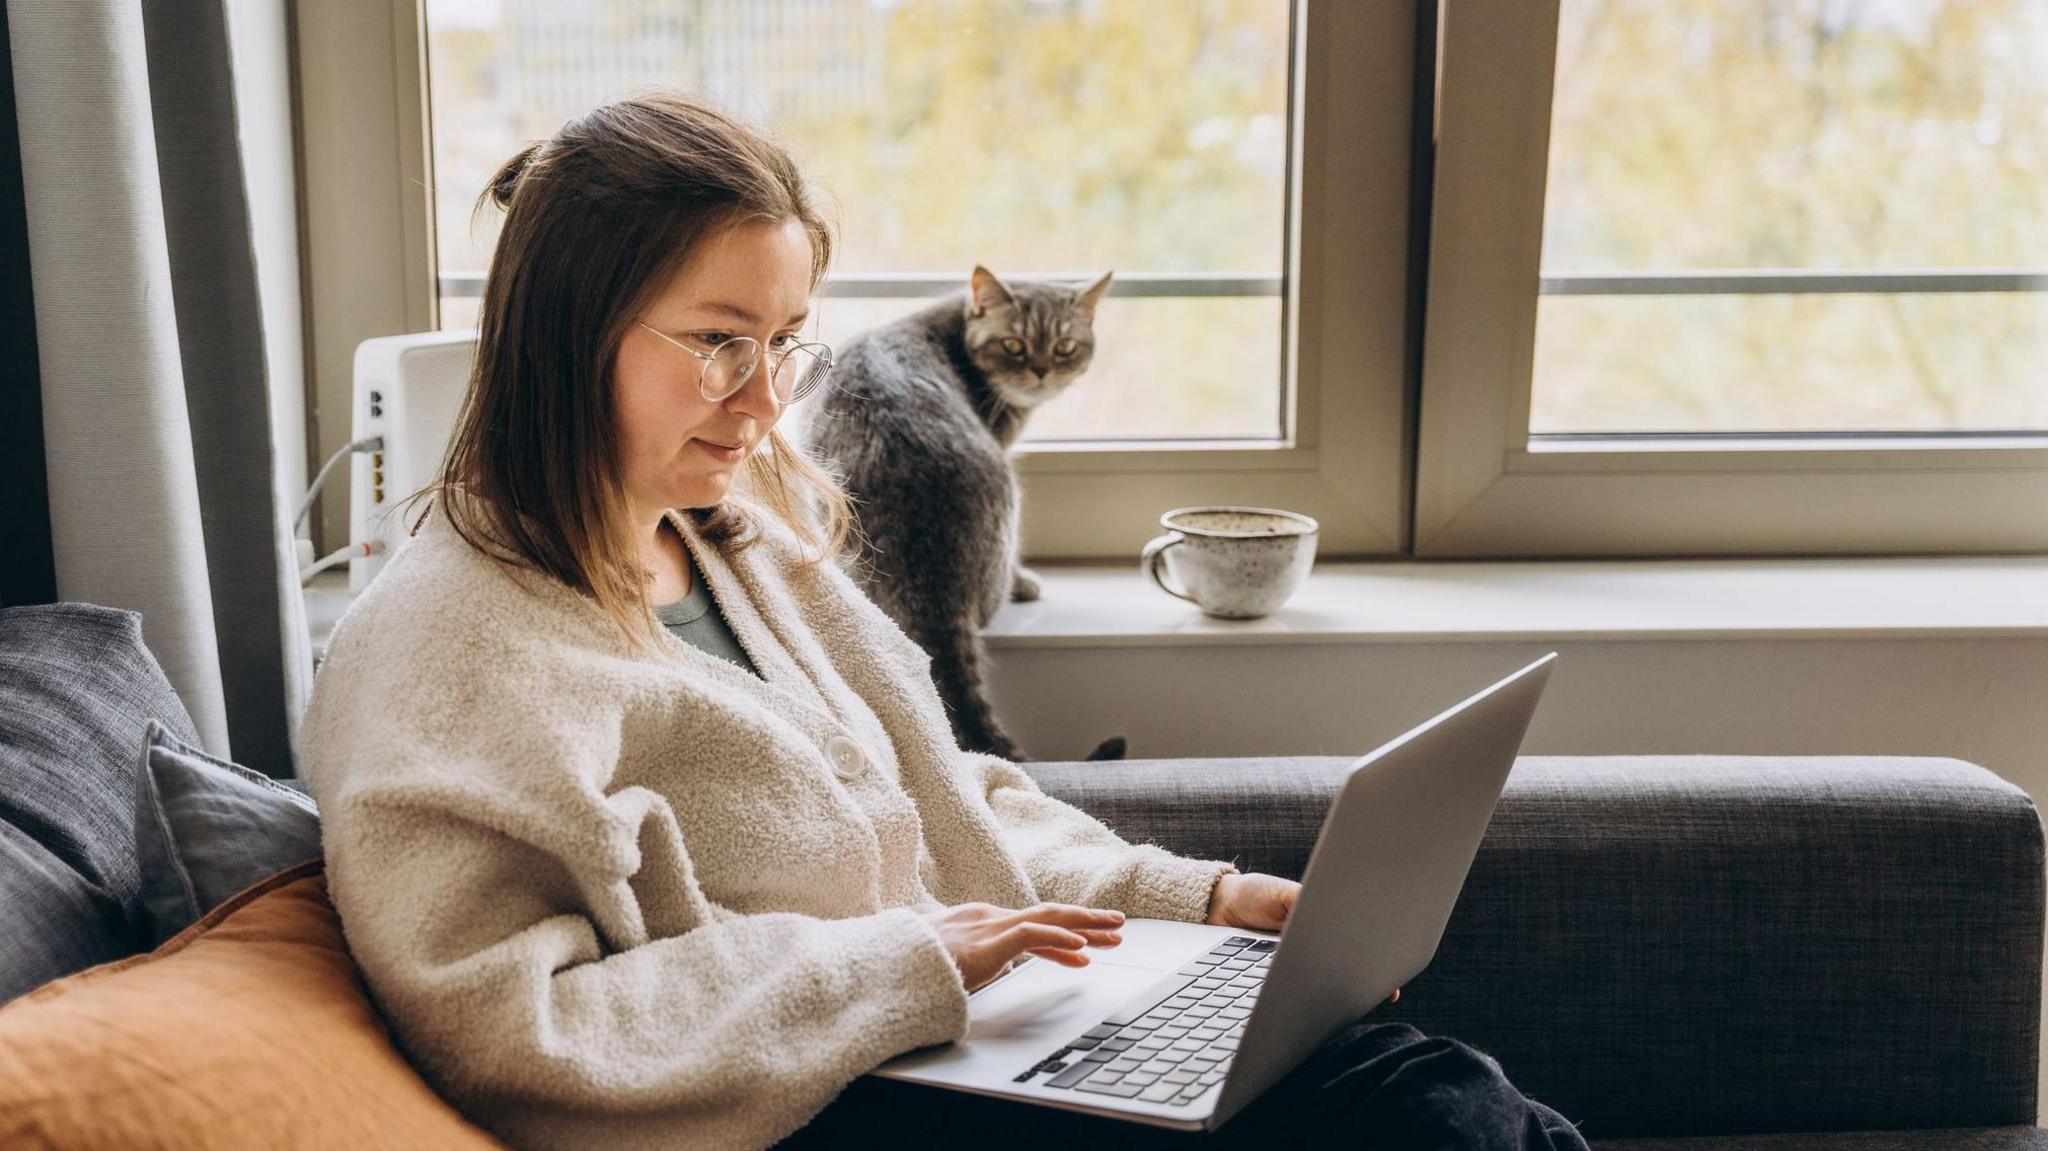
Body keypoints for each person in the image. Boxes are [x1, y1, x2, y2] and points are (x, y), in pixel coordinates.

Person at [296, 90, 1588, 1151]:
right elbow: (508, 1029)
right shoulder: (449, 648)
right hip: (803, 1106)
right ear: (561, 336)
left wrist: (1185, 899)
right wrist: (901, 965)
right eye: (715, 340)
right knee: (1429, 1126)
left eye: (787, 340)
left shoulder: (738, 538)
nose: (760, 399)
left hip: (955, 1039)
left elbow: (923, 795)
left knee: (1417, 1084)